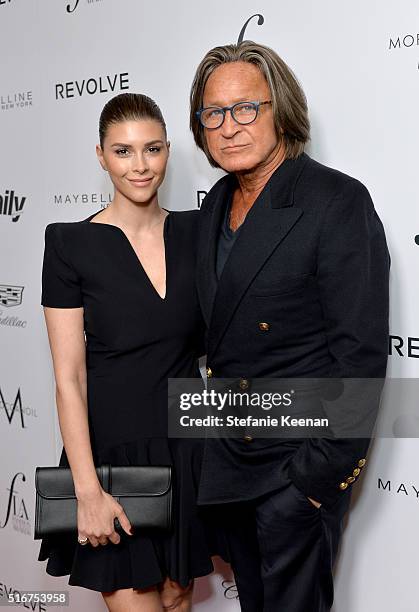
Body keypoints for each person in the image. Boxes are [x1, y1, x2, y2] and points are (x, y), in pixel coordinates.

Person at [190, 41, 390, 611]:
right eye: (213, 113)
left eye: (246, 108)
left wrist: (312, 482)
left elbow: (361, 357)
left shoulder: (336, 201)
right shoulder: (212, 207)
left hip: (293, 472)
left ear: (282, 110)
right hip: (229, 467)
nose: (229, 127)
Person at [38, 93, 214, 612]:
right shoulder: (70, 244)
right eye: (123, 151)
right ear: (100, 156)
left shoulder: (199, 231)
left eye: (152, 149)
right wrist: (87, 490)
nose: (140, 166)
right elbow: (69, 378)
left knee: (178, 598)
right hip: (113, 459)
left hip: (188, 448)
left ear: (168, 152)